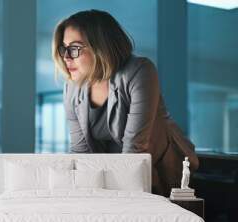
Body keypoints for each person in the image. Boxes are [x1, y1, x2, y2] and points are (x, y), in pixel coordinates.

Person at [51, 9, 199, 197]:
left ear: (100, 47)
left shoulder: (139, 71)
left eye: (74, 48)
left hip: (163, 173)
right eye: (64, 49)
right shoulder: (71, 89)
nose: (66, 57)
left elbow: (134, 149)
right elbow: (80, 152)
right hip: (115, 178)